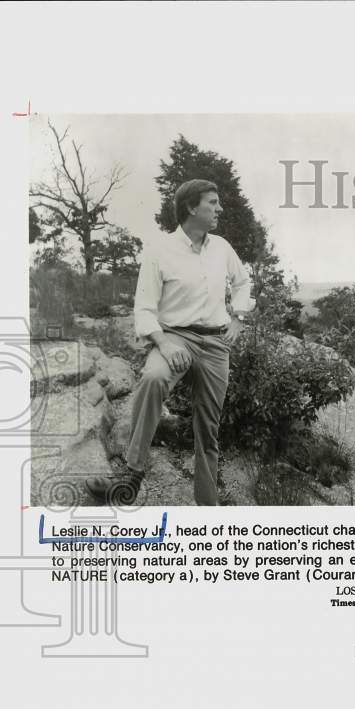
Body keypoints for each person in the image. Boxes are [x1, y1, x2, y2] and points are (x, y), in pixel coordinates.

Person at [86, 179, 253, 506]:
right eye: (213, 202)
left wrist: (238, 318)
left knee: (208, 428)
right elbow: (145, 308)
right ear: (192, 207)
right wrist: (164, 343)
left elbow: (243, 283)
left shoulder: (221, 247)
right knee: (153, 377)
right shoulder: (159, 250)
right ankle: (131, 476)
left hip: (216, 344)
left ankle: (208, 507)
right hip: (174, 337)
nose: (219, 209)